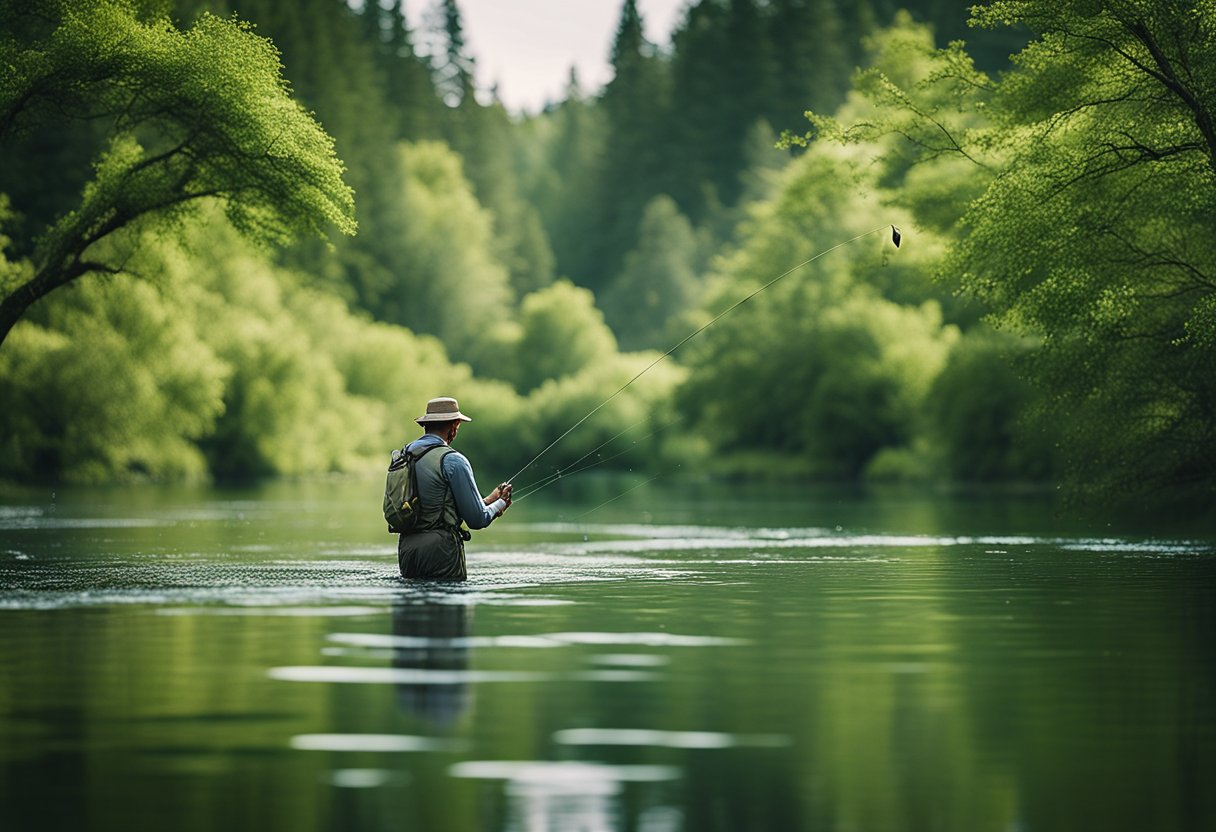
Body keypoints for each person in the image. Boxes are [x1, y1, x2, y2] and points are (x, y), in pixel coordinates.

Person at [396, 396, 511, 581]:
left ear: (426, 425)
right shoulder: (453, 460)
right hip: (440, 551)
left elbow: (437, 505)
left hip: (407, 550)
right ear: (455, 425)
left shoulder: (405, 455)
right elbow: (476, 519)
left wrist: (489, 500)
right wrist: (501, 505)